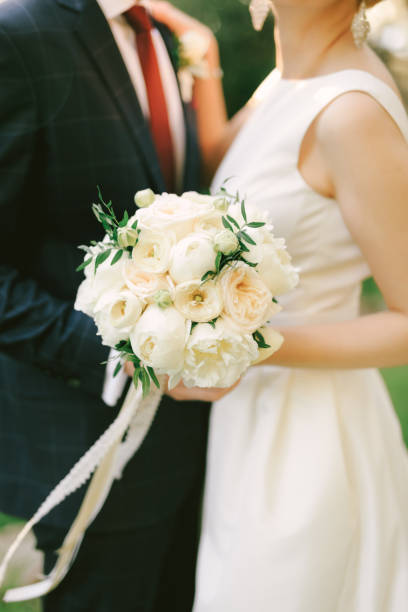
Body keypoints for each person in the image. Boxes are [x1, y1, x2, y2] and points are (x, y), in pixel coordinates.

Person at [150, 0, 408, 609]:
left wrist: (242, 346)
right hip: (251, 423)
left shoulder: (351, 112)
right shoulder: (290, 80)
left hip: (312, 442)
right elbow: (226, 162)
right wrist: (203, 57)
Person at [0, 0, 229, 609]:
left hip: (211, 454)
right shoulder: (16, 33)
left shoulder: (169, 36)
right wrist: (129, 354)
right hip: (87, 447)